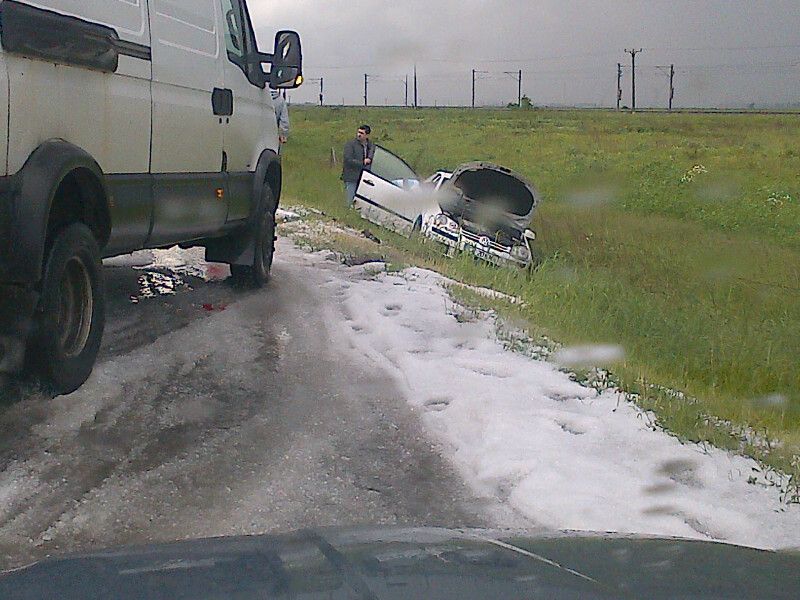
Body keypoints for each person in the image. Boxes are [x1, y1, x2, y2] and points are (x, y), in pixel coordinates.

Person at [342, 124, 375, 206]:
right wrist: (362, 162)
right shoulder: (351, 145)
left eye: (362, 133)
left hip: (364, 178)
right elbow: (348, 160)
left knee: (361, 202)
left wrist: (369, 158)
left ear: (367, 135)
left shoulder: (370, 145)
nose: (359, 135)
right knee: (350, 200)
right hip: (351, 176)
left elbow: (372, 153)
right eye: (358, 132)